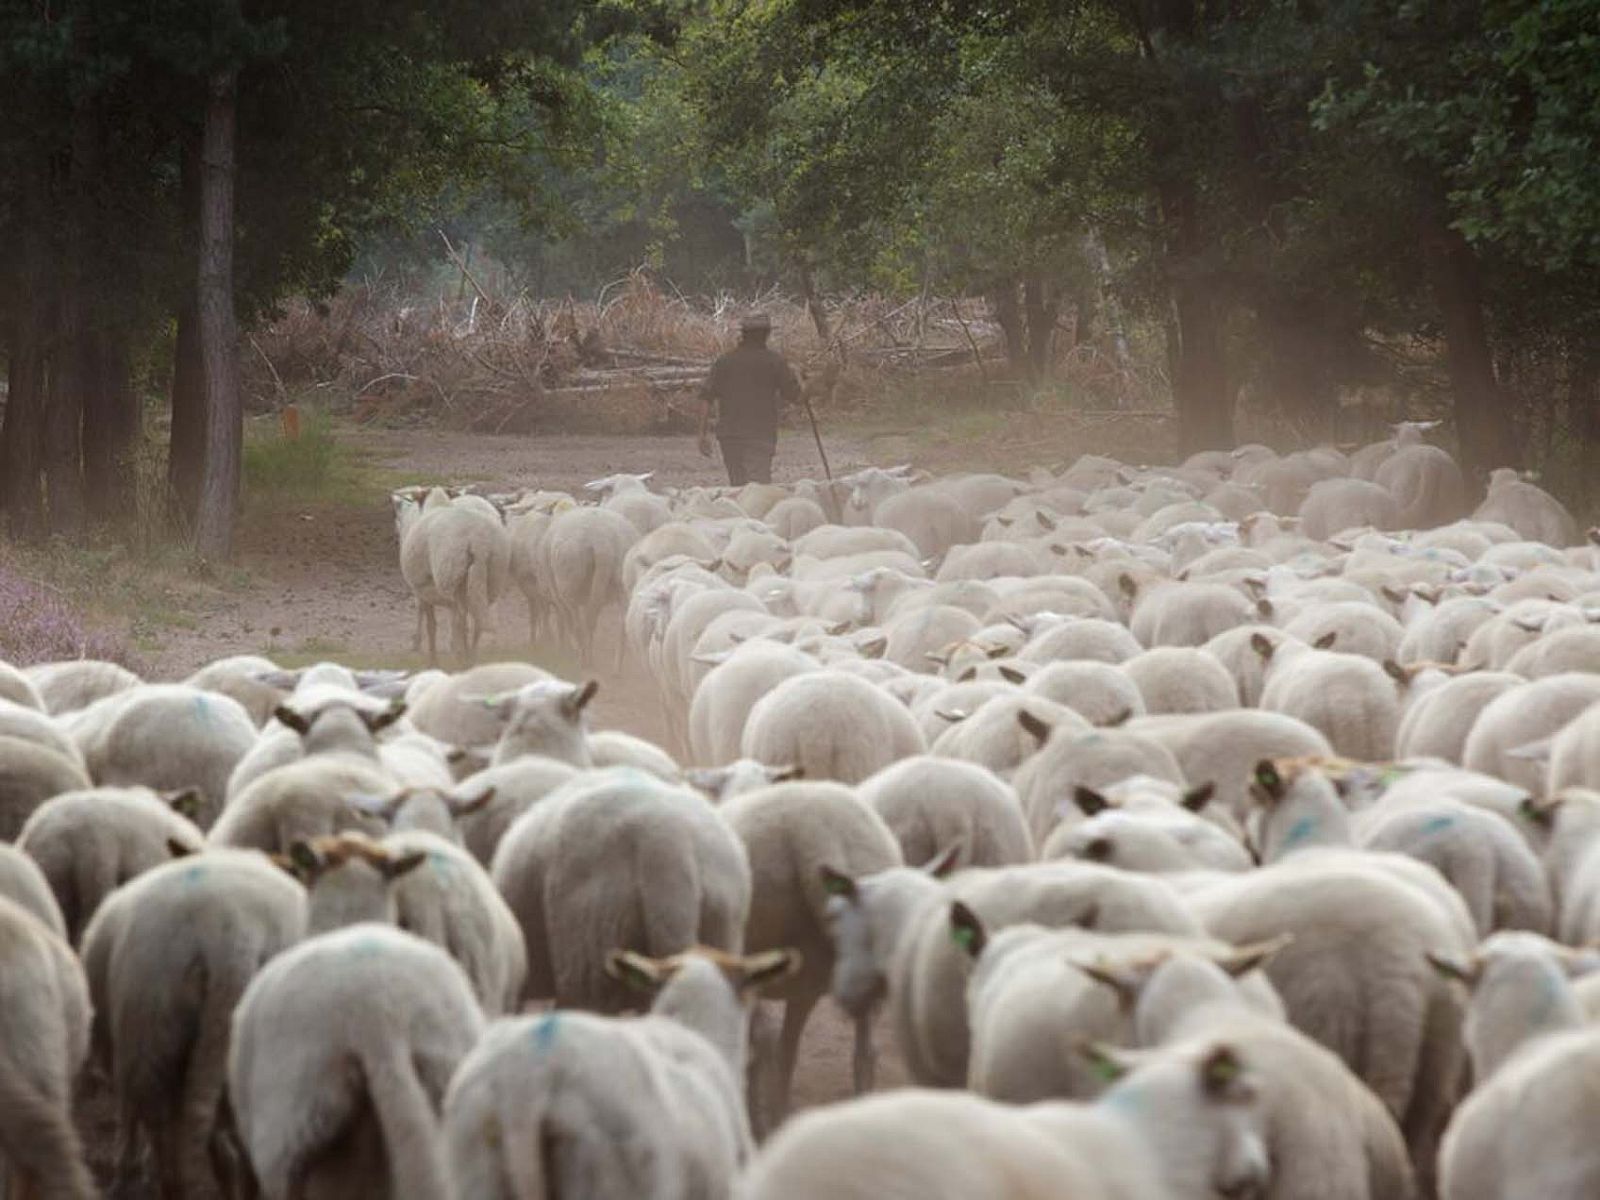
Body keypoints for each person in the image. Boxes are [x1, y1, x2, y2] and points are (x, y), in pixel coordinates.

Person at [697, 311, 802, 486]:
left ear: (743, 334)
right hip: (760, 435)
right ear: (766, 334)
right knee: (758, 490)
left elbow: (705, 397)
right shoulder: (775, 362)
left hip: (730, 436)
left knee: (738, 487)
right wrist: (803, 380)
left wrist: (701, 434)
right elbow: (796, 397)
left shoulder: (725, 362)